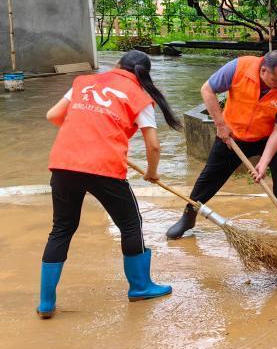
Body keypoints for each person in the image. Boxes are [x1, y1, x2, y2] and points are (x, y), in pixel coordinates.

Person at [37, 50, 182, 318]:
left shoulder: (84, 82)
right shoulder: (140, 97)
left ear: (117, 65)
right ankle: (140, 287)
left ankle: (46, 303)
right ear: (143, 75)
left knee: (62, 229)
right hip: (104, 167)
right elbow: (153, 145)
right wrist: (152, 173)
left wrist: (86, 129)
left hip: (64, 163)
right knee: (130, 224)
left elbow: (53, 116)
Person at [165, 50, 277, 239]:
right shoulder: (238, 68)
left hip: (268, 137)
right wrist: (221, 125)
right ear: (263, 71)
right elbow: (207, 89)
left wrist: (264, 162)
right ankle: (189, 217)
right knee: (209, 178)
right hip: (234, 136)